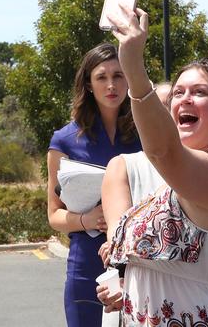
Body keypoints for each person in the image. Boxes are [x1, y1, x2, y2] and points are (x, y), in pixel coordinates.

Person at [97, 7, 208, 326]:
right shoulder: (173, 180)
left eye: (199, 92)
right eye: (178, 92)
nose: (184, 99)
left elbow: (162, 151)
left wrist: (132, 66)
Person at [46, 42, 142, 327]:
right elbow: (54, 215)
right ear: (88, 84)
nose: (111, 85)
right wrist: (87, 219)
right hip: (85, 269)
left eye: (119, 75)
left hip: (139, 268)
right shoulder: (64, 140)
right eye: (102, 77)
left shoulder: (145, 134)